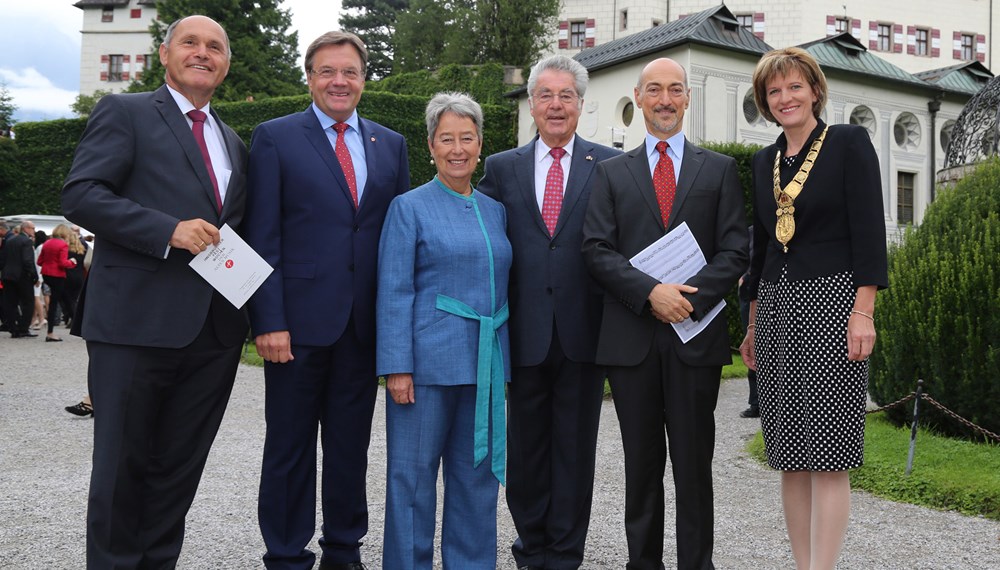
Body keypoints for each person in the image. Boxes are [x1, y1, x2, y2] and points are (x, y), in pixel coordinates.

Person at [62, 15, 248, 567]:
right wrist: (166, 230)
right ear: (163, 54)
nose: (203, 52)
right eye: (190, 42)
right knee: (122, 470)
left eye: (215, 46)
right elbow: (82, 194)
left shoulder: (235, 142)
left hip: (211, 333)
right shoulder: (127, 112)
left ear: (226, 65)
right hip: (133, 326)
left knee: (176, 474)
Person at [244, 31, 410, 570]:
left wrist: (394, 329)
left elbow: (396, 242)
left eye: (350, 72)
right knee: (289, 448)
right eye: (327, 71)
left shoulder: (391, 144)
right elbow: (262, 235)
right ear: (310, 77)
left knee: (349, 449)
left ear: (364, 79)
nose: (339, 81)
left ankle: (344, 549)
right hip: (294, 327)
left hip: (362, 329)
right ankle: (287, 554)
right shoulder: (274, 137)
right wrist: (268, 319)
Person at [582, 57, 747, 569]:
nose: (665, 100)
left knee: (695, 468)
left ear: (687, 98)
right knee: (642, 467)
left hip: (694, 339)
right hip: (631, 342)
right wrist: (652, 293)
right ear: (639, 96)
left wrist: (687, 300)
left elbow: (735, 251)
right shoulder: (611, 173)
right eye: (654, 90)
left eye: (675, 89)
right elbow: (596, 249)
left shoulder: (718, 169)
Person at [739, 47, 887, 570]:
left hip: (833, 304)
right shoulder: (764, 161)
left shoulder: (847, 142)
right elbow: (759, 246)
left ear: (815, 90)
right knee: (789, 457)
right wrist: (753, 323)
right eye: (774, 91)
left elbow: (869, 231)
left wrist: (862, 311)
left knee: (828, 456)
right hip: (777, 309)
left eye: (794, 87)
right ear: (765, 102)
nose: (785, 98)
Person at [477, 54, 619, 570]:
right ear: (531, 103)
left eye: (566, 96)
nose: (556, 105)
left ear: (581, 104)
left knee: (575, 453)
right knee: (527, 452)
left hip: (585, 334)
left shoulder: (609, 165)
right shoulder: (501, 168)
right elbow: (484, 243)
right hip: (524, 334)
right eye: (546, 95)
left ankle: (565, 553)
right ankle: (529, 547)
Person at [377, 91, 512, 570]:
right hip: (426, 368)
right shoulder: (408, 207)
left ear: (481, 144)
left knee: (477, 479)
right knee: (412, 481)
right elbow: (394, 289)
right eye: (447, 139)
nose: (458, 149)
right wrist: (397, 366)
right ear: (430, 146)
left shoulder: (495, 210)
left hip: (486, 366)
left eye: (467, 138)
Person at [36, 224, 77, 342]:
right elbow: (63, 263)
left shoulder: (47, 243)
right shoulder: (63, 244)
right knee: (58, 302)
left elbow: (40, 261)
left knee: (65, 299)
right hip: (58, 275)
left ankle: (76, 325)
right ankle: (50, 332)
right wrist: (72, 262)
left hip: (46, 274)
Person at [2, 220, 38, 338]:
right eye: (32, 228)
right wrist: (34, 276)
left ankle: (13, 328)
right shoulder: (27, 241)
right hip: (22, 276)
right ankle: (23, 328)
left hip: (8, 275)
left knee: (11, 303)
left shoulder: (9, 240)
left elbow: (3, 259)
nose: (34, 230)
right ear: (26, 229)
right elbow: (28, 261)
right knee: (28, 302)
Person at [738, 225, 759, 418]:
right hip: (748, 296)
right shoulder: (750, 232)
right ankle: (755, 402)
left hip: (764, 293)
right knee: (752, 346)